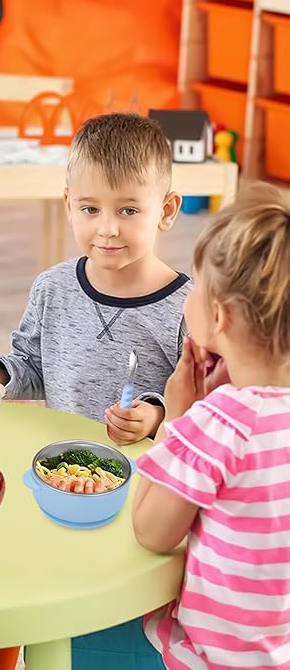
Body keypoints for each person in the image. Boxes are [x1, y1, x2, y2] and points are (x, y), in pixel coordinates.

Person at [0, 112, 191, 670]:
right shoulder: (53, 288)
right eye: (90, 209)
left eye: (128, 211)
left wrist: (155, 415)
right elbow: (29, 362)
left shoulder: (187, 307)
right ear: (68, 204)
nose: (106, 229)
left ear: (166, 211)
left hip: (139, 496)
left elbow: (197, 404)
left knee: (108, 611)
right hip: (58, 479)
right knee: (28, 585)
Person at [133, 182, 290, 669]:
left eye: (197, 285)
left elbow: (151, 531)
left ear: (218, 315)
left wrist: (178, 419)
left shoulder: (220, 424)